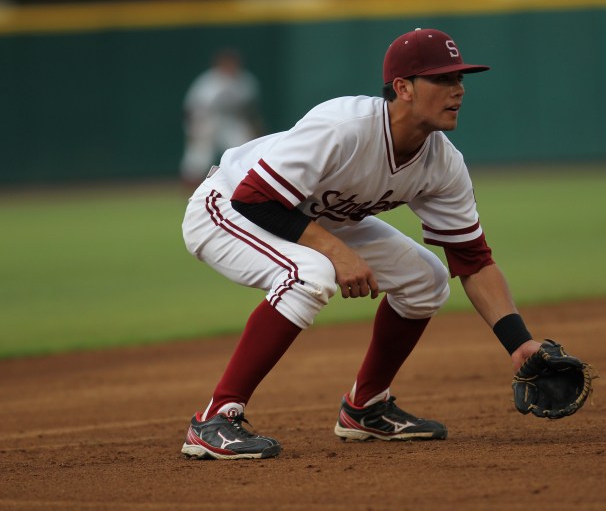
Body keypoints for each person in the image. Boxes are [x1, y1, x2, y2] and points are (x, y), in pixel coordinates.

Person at [180, 28, 542, 460]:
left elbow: (474, 261)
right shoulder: (345, 126)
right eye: (443, 80)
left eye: (460, 79)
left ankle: (366, 408)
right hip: (228, 204)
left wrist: (519, 343)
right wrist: (335, 251)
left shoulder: (443, 163)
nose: (458, 90)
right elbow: (255, 198)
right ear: (404, 88)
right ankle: (216, 419)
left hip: (315, 216)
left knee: (426, 279)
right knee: (309, 274)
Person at [180, 48, 264, 188]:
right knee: (198, 159)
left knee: (243, 151)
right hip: (207, 121)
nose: (230, 66)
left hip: (232, 121)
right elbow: (192, 108)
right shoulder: (208, 81)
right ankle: (190, 192)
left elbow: (250, 111)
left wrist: (255, 129)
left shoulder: (245, 81)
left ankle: (248, 187)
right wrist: (193, 130)